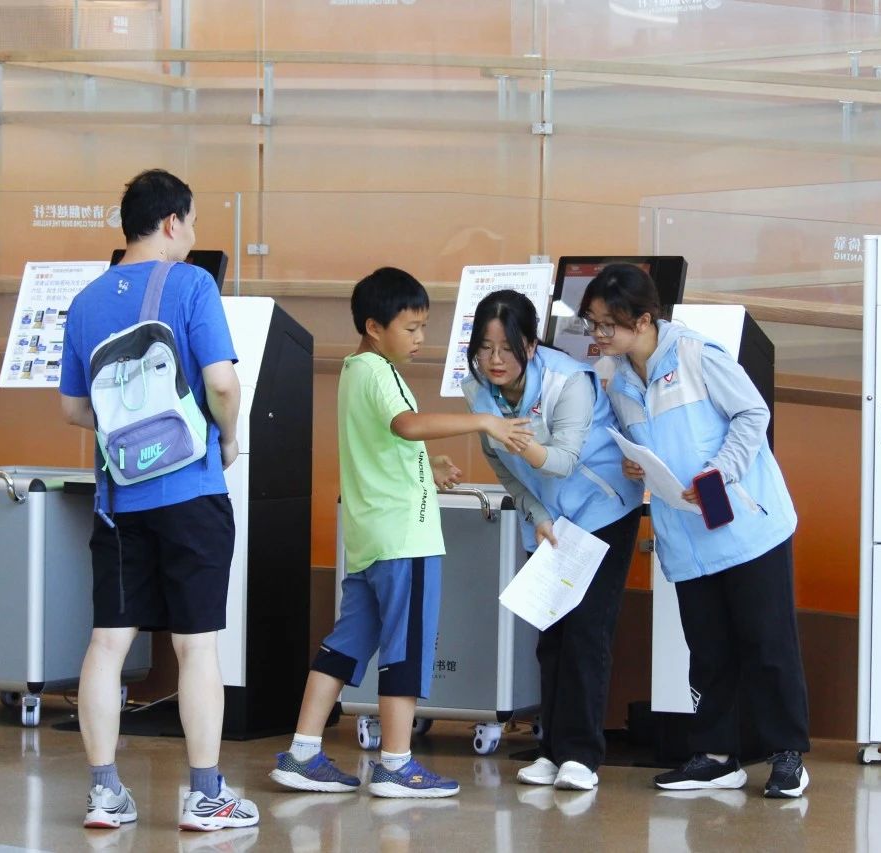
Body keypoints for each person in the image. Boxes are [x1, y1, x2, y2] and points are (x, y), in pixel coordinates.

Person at [270, 267, 534, 799]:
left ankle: (302, 753)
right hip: (404, 540)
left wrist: (427, 466)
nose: (420, 339)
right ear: (374, 326)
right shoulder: (379, 371)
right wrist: (484, 422)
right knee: (406, 648)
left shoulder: (354, 371)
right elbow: (405, 425)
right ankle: (396, 763)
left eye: (424, 327)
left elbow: (382, 447)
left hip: (371, 540)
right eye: (411, 328)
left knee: (344, 647)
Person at [59, 169, 259, 832]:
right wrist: (227, 436)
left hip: (119, 498)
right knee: (196, 646)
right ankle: (205, 796)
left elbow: (73, 408)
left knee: (107, 642)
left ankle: (104, 793)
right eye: (192, 222)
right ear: (172, 221)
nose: (193, 235)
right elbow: (222, 382)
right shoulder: (192, 284)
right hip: (191, 490)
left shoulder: (86, 301)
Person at [577, 263, 811, 799]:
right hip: (686, 538)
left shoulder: (696, 355)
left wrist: (719, 472)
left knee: (768, 644)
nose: (597, 335)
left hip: (746, 527)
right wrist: (636, 465)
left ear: (643, 320)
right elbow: (646, 446)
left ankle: (786, 756)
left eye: (607, 324)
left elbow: (752, 415)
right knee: (707, 650)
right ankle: (716, 755)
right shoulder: (618, 381)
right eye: (592, 322)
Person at [459, 289, 644, 791]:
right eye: (485, 348)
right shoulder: (479, 392)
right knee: (552, 634)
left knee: (586, 632)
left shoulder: (570, 381)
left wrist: (513, 437)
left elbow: (562, 460)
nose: (495, 360)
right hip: (548, 518)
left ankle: (581, 755)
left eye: (507, 347)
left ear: (531, 345)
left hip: (602, 508)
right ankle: (552, 750)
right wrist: (537, 515)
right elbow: (500, 466)